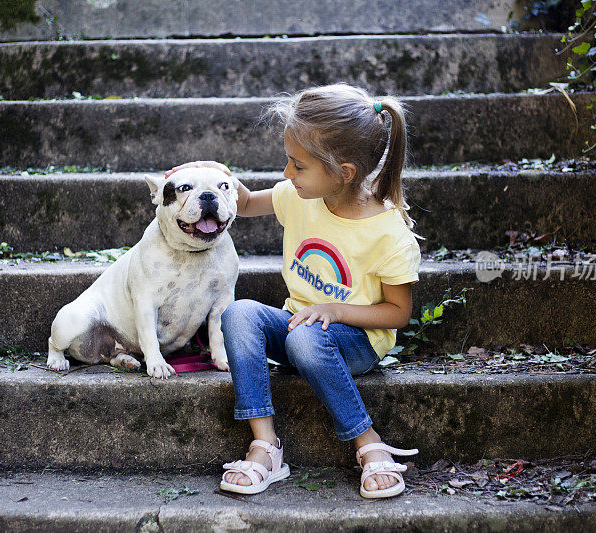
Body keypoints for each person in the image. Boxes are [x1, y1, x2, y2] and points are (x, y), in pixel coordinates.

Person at [168, 83, 421, 499]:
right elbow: (246, 205)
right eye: (289, 161)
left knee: (306, 336)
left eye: (298, 165)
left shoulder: (388, 233)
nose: (287, 174)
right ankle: (266, 446)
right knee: (239, 313)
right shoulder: (298, 196)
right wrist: (215, 177)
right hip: (297, 326)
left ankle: (368, 443)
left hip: (353, 340)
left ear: (345, 172)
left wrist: (335, 310)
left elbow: (396, 313)